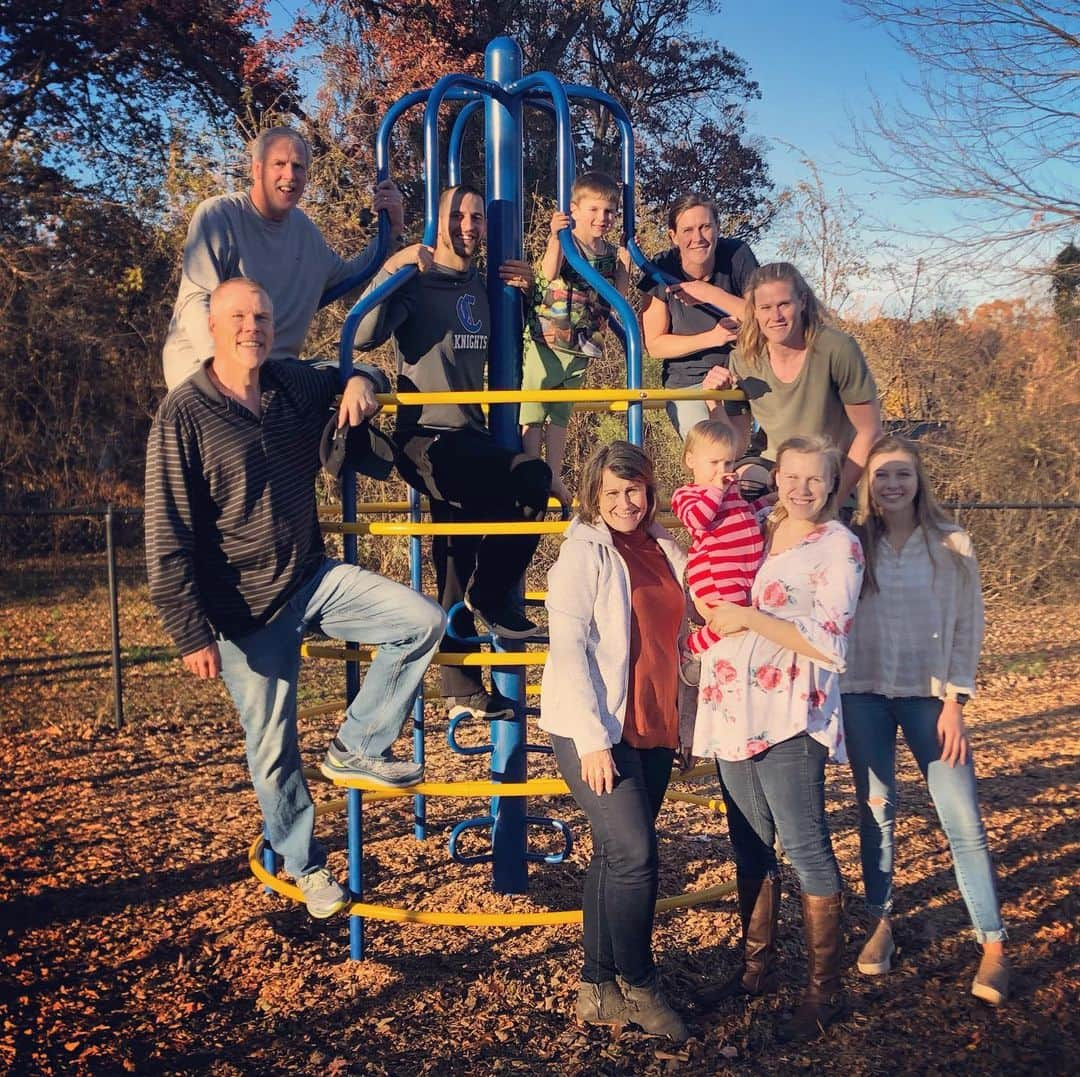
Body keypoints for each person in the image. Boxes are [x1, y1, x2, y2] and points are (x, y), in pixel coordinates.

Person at [146, 278, 445, 919]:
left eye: (260, 314)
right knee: (273, 748)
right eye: (237, 317)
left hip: (310, 577)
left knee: (421, 620)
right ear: (213, 325)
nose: (250, 326)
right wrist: (189, 630)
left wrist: (359, 381)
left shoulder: (288, 383)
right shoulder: (186, 413)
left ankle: (356, 744)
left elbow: (353, 366)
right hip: (242, 609)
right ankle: (306, 867)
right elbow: (165, 529)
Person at [354, 184, 551, 722]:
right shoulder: (417, 281)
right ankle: (492, 598)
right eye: (458, 216)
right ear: (437, 221)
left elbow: (542, 339)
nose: (468, 225)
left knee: (459, 554)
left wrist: (530, 293)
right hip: (427, 439)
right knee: (527, 479)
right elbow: (365, 335)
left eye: (478, 218)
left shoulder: (487, 285)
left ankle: (463, 680)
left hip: (474, 434)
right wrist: (391, 267)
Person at [693, 435, 864, 1042]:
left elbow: (831, 644)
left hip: (793, 708)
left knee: (805, 840)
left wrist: (749, 619)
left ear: (833, 482)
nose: (800, 489)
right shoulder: (759, 523)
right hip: (733, 705)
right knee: (749, 839)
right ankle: (754, 970)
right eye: (791, 476)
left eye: (814, 479)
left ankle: (825, 990)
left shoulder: (839, 547)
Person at [842, 435, 1009, 1005]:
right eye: (882, 475)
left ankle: (992, 944)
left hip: (929, 699)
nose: (891, 485)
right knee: (877, 812)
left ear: (919, 481)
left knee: (962, 820)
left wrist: (956, 704)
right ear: (867, 483)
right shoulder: (853, 542)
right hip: (861, 694)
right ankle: (880, 922)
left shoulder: (950, 543)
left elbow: (969, 626)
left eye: (902, 475)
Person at [539, 441, 689, 1041]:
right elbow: (568, 650)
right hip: (593, 727)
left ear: (649, 489)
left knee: (614, 856)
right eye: (612, 493)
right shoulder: (583, 556)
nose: (626, 502)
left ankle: (596, 987)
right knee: (636, 855)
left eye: (635, 490)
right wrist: (594, 741)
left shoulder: (665, 549)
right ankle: (640, 984)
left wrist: (687, 723)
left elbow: (677, 642)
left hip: (652, 723)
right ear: (593, 497)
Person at [162, 126, 405, 389]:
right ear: (257, 169)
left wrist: (390, 232)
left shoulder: (305, 232)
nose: (289, 175)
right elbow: (196, 300)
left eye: (298, 167)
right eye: (279, 164)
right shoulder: (220, 216)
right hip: (206, 369)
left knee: (368, 380)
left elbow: (352, 281)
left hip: (275, 372)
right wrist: (220, 371)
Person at [709, 262, 882, 504]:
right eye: (766, 307)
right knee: (740, 485)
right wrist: (713, 400)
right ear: (754, 312)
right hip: (774, 465)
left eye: (784, 305)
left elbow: (870, 431)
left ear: (802, 301)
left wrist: (835, 500)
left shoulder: (837, 349)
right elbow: (736, 447)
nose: (775, 317)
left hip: (827, 468)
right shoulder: (743, 358)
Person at [521, 172, 630, 507]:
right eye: (594, 210)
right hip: (548, 338)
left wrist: (625, 265)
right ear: (575, 209)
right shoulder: (569, 244)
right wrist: (556, 237)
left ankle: (553, 472)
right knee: (534, 406)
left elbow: (618, 298)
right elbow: (549, 273)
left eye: (609, 211)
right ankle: (532, 472)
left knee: (560, 412)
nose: (602, 218)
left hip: (583, 343)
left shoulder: (611, 255)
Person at [638, 193, 758, 436]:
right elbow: (655, 345)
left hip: (741, 375)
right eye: (688, 230)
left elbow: (764, 316)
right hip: (690, 381)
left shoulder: (737, 255)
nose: (698, 238)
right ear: (673, 236)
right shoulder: (661, 269)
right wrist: (713, 337)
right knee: (712, 454)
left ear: (717, 228)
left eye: (705, 227)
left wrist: (710, 293)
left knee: (746, 457)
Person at [670, 419, 767, 667]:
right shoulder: (688, 495)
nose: (722, 470)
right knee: (730, 620)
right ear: (691, 460)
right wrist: (715, 490)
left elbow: (743, 516)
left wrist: (766, 504)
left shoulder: (730, 491)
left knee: (746, 618)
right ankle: (691, 648)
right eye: (714, 463)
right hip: (717, 572)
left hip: (743, 570)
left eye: (729, 462)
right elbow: (698, 519)